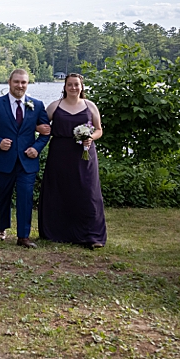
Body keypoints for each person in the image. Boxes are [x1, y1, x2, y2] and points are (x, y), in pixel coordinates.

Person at [0, 68, 51, 248]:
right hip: (3, 159)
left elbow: (46, 132)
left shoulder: (38, 105)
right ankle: (1, 228)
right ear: (9, 82)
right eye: (17, 82)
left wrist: (37, 148)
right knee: (3, 196)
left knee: (25, 197)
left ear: (27, 84)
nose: (20, 85)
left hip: (27, 160)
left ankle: (23, 236)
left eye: (23, 82)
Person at [38, 73, 107, 248]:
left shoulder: (90, 106)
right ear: (65, 87)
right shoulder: (55, 106)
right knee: (60, 191)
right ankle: (57, 232)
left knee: (87, 192)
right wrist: (40, 128)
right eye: (70, 84)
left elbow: (99, 130)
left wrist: (91, 137)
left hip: (84, 155)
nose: (73, 88)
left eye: (76, 85)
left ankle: (91, 235)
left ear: (82, 87)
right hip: (60, 154)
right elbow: (41, 126)